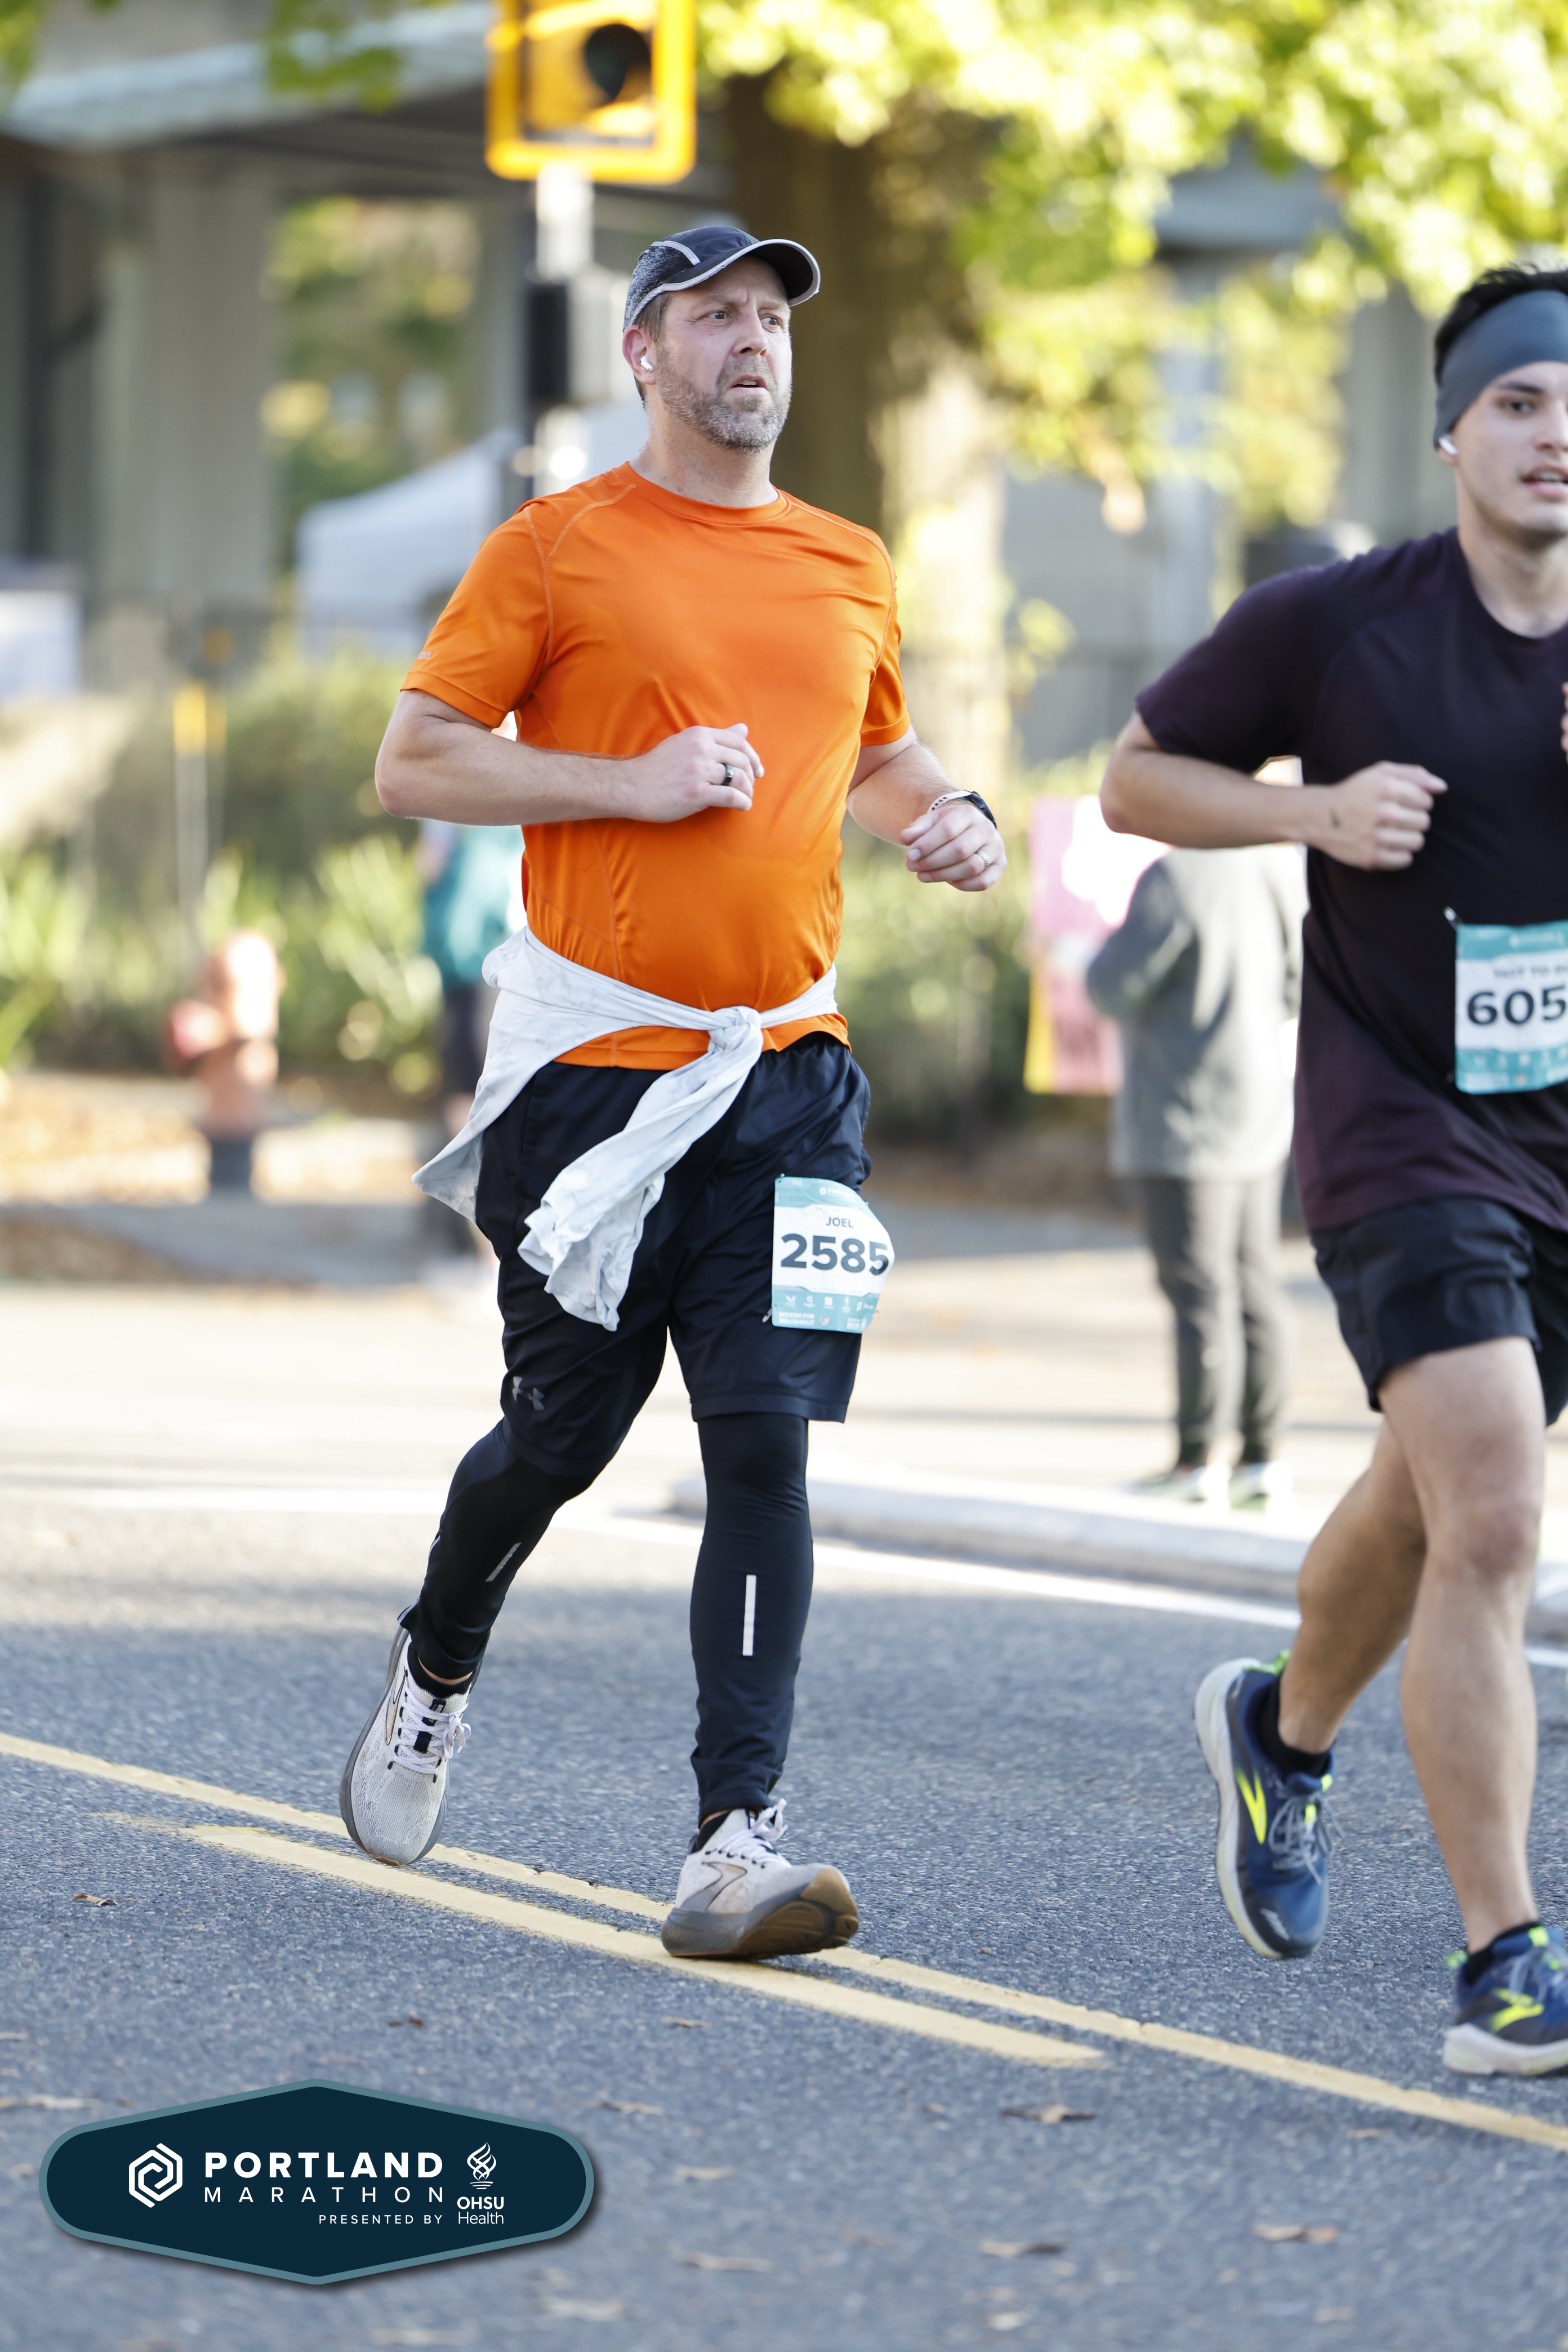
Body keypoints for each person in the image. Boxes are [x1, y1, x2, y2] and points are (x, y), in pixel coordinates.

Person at [337, 224, 1005, 1962]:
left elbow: (871, 748)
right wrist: (628, 785)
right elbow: (416, 761)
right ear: (644, 351)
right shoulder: (554, 547)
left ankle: (734, 1843)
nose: (752, 339)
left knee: (764, 1437)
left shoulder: (848, 558)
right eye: (714, 315)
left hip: (791, 1076)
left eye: (771, 313)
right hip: (593, 1084)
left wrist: (951, 816)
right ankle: (435, 1665)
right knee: (561, 1438)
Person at [1100, 262, 1568, 2074]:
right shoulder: (1341, 624)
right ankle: (1505, 1960)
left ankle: (1278, 1736)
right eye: (1520, 402)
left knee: (1430, 1502)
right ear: (1452, 430)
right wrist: (1313, 810)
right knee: (1499, 1512)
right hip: (1402, 1120)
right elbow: (1139, 781)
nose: (1554, 436)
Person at [1086, 844, 1304, 1507]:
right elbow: (1300, 981)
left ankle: (1197, 1461)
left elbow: (1111, 985)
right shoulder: (1278, 868)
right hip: (1260, 1107)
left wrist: (1082, 953)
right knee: (1255, 1281)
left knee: (1200, 1291)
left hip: (1183, 1112)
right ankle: (1262, 1458)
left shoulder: (1176, 876)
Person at [416, 818, 523, 1262]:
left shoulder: (477, 839)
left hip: (478, 980)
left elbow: (449, 914)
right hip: (505, 979)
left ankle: (489, 1259)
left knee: (473, 1115)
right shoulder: (517, 832)